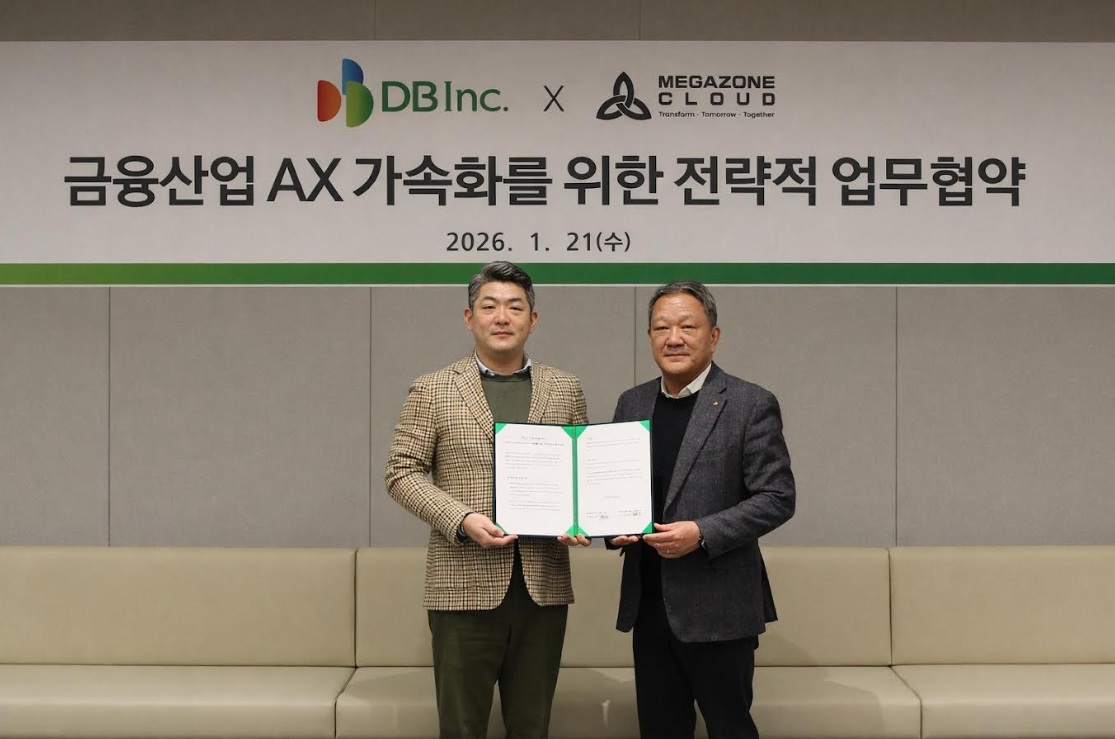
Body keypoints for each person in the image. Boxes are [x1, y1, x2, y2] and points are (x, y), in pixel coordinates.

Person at [385, 261, 590, 739]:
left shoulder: (565, 388)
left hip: (542, 587)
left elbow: (580, 470)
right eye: (489, 306)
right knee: (461, 727)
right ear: (469, 317)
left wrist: (580, 517)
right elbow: (401, 471)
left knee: (532, 726)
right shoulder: (433, 388)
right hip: (462, 585)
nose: (502, 317)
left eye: (515, 307)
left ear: (532, 320)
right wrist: (461, 518)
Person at [608, 280, 796, 739]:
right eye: (661, 328)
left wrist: (702, 532)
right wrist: (610, 527)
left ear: (713, 336)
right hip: (649, 605)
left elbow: (777, 497)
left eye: (687, 326)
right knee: (659, 729)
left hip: (720, 608)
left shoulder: (750, 403)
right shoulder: (632, 403)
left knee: (730, 728)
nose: (673, 338)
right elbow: (612, 491)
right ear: (649, 337)